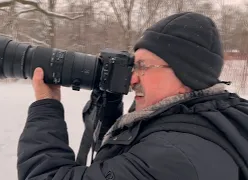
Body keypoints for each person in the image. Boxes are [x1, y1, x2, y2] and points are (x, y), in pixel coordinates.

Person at [17, 12, 248, 180]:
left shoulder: (171, 157)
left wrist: (46, 105)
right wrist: (110, 102)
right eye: (132, 67)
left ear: (187, 76)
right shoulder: (213, 116)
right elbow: (116, 158)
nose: (133, 79)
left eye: (143, 67)